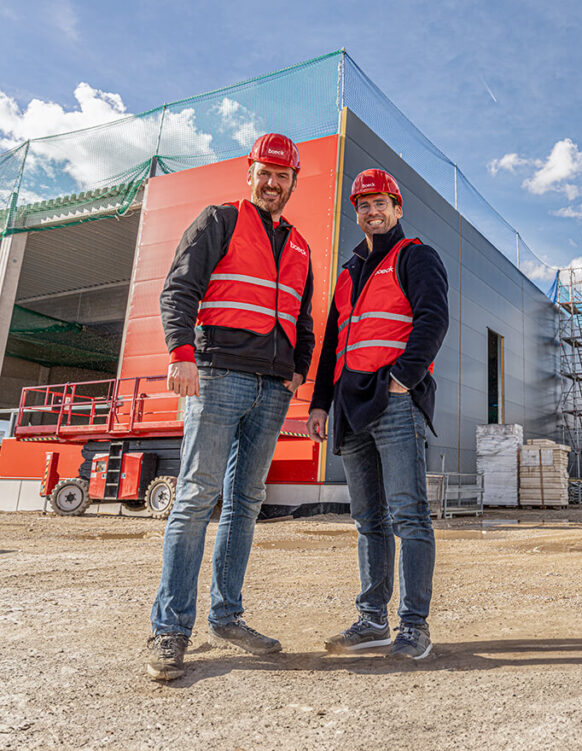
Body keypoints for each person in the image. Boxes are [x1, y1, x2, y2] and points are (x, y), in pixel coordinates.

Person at [146, 133, 315, 681]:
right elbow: (179, 290)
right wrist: (181, 354)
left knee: (246, 503)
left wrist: (296, 374)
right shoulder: (218, 220)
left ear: (293, 181)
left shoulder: (300, 247)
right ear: (250, 173)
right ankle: (171, 629)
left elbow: (303, 320)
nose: (272, 183)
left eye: (282, 175)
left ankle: (228, 617)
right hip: (218, 376)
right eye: (264, 172)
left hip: (271, 390)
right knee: (195, 498)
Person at [306, 168, 448, 660]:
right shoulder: (347, 273)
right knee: (368, 519)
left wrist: (403, 378)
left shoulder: (416, 257)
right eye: (363, 205)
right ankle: (372, 620)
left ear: (398, 208)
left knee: (409, 515)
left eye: (381, 203)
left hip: (393, 402)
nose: (372, 211)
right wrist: (320, 402)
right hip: (350, 408)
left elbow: (433, 319)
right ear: (357, 212)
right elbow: (332, 346)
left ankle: (414, 625)